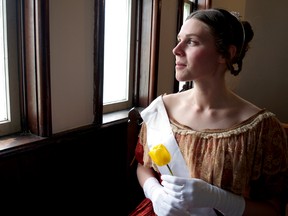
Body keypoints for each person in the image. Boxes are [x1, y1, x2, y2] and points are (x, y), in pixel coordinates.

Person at [129, 8, 288, 216]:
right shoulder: (162, 110)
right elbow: (144, 166)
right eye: (179, 39)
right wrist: (155, 192)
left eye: (192, 41)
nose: (176, 49)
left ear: (226, 54)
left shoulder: (261, 128)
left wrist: (222, 200)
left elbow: (273, 209)